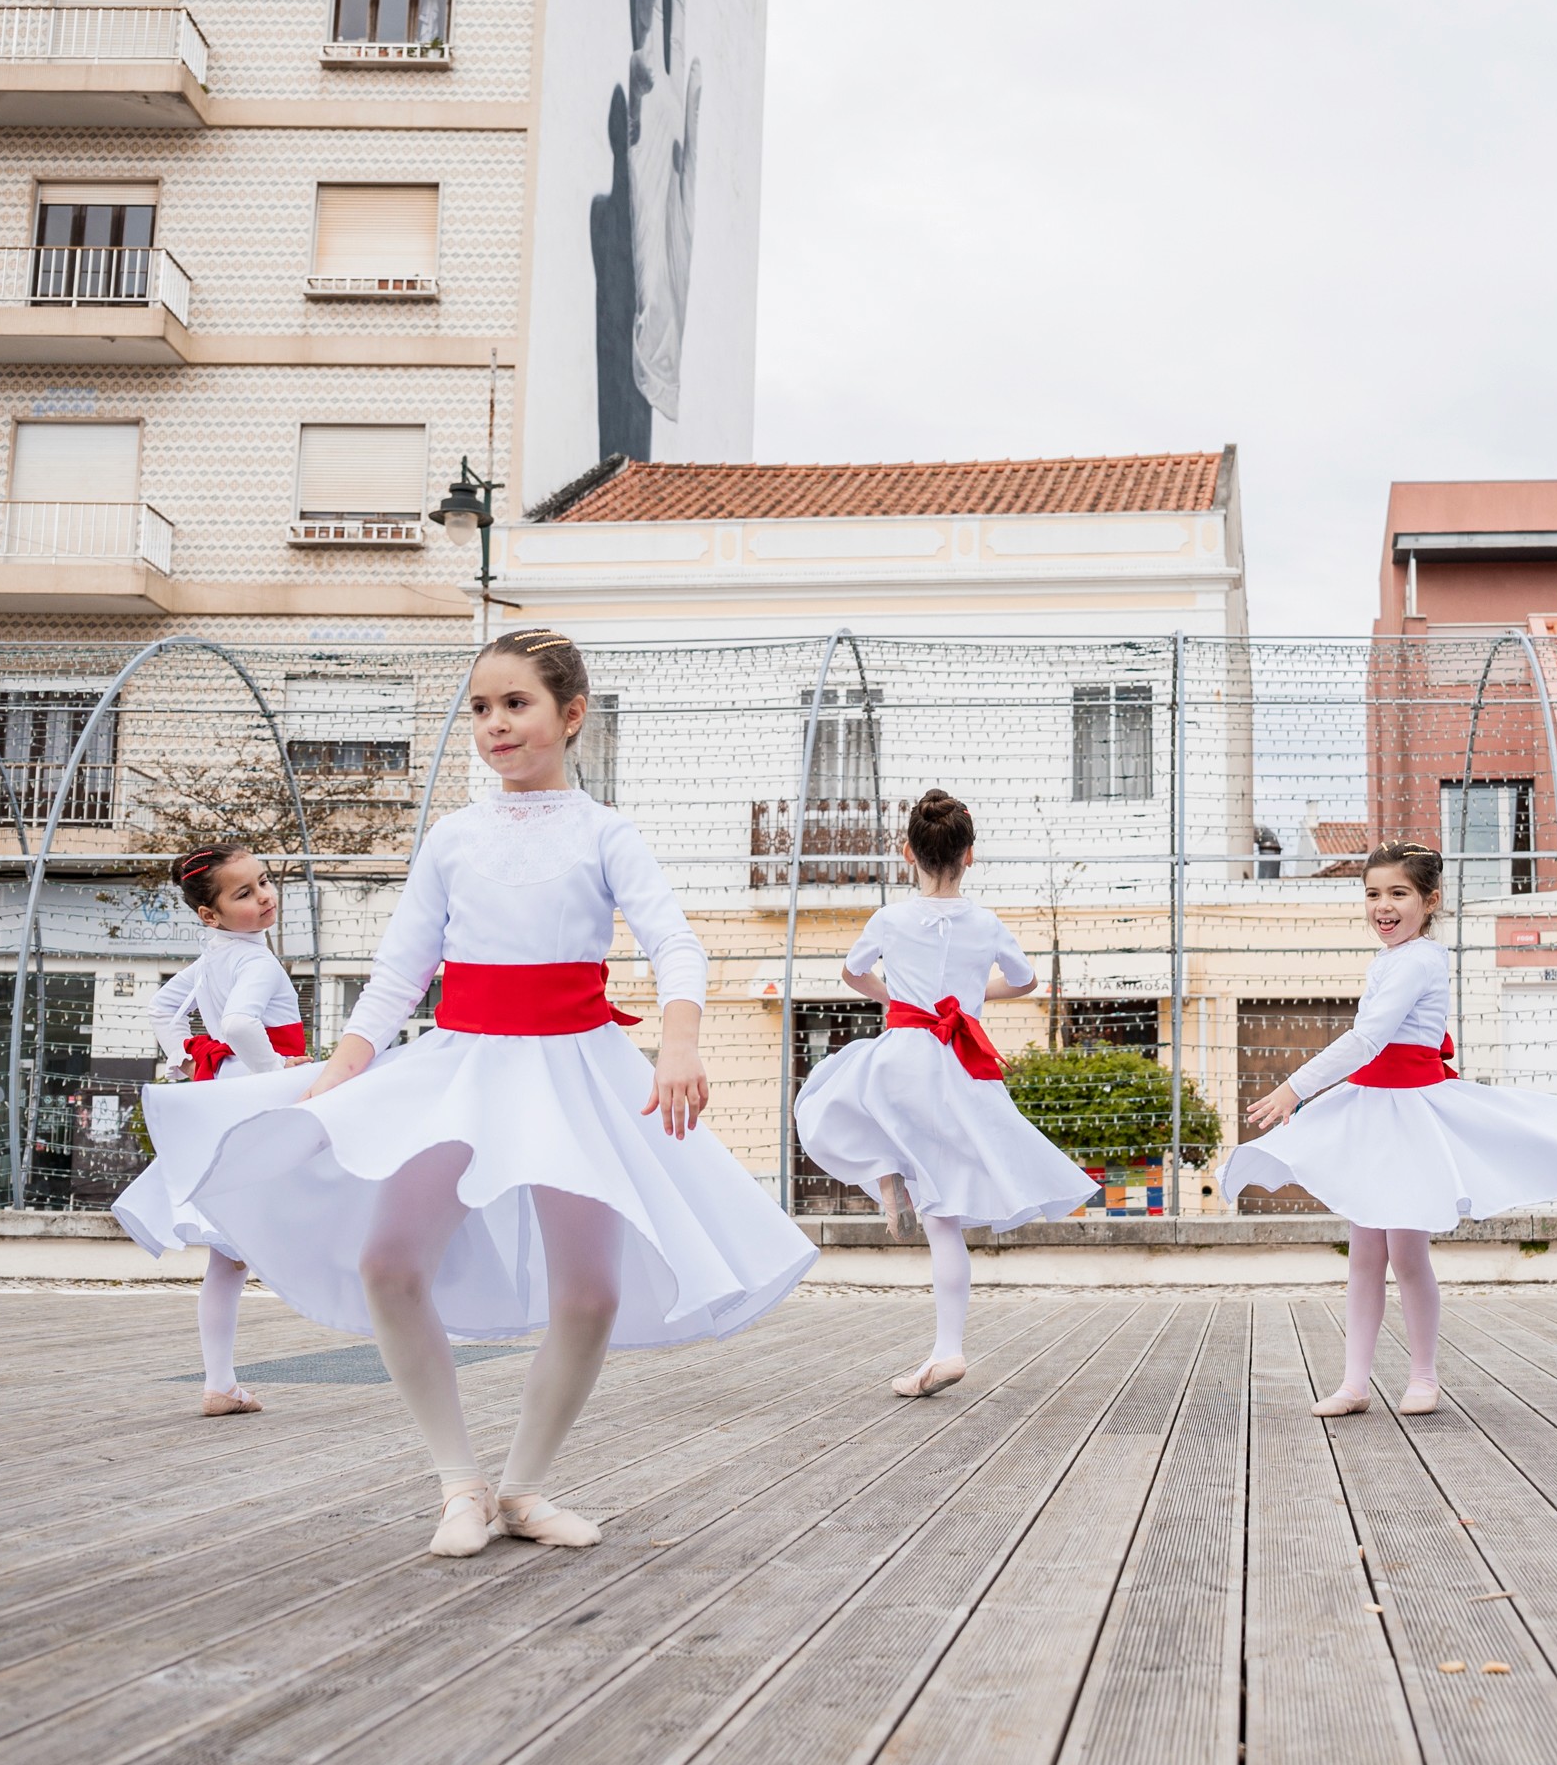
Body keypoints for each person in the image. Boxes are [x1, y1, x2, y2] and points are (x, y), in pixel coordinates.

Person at [142, 628, 817, 1559]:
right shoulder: (453, 837)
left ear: (570, 714)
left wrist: (681, 1042)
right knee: (389, 1261)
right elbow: (397, 972)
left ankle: (525, 1486)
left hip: (577, 1069)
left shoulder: (606, 830)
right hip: (463, 1064)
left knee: (590, 1292)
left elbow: (674, 941)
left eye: (516, 703)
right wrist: (340, 1075)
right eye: (480, 708)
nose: (495, 724)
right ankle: (457, 1479)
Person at [1232, 842, 1557, 1418]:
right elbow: (1370, 1045)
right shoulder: (1389, 961)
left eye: (1398, 894)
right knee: (1364, 1253)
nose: (1382, 906)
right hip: (1373, 1108)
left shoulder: (1418, 960)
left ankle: (1423, 1376)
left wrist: (1296, 1088)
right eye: (1372, 894)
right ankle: (1354, 1383)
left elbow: (1369, 1038)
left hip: (1408, 1113)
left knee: (1406, 1255)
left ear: (1429, 900)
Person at [793, 790, 1093, 1400]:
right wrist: (980, 996)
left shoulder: (890, 918)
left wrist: (894, 998)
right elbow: (1028, 980)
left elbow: (852, 972)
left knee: (837, 1099)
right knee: (944, 1218)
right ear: (971, 857)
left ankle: (885, 1177)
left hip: (903, 1055)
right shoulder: (986, 923)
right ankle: (948, 1346)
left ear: (907, 853)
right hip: (958, 1066)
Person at [109, 843, 309, 1419]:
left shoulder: (217, 955)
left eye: (265, 882)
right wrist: (275, 1074)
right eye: (244, 893)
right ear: (210, 914)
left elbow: (162, 1010)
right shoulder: (254, 961)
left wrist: (182, 1056)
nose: (264, 896)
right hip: (259, 1104)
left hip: (227, 1100)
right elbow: (244, 1022)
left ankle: (220, 1383)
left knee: (229, 1259)